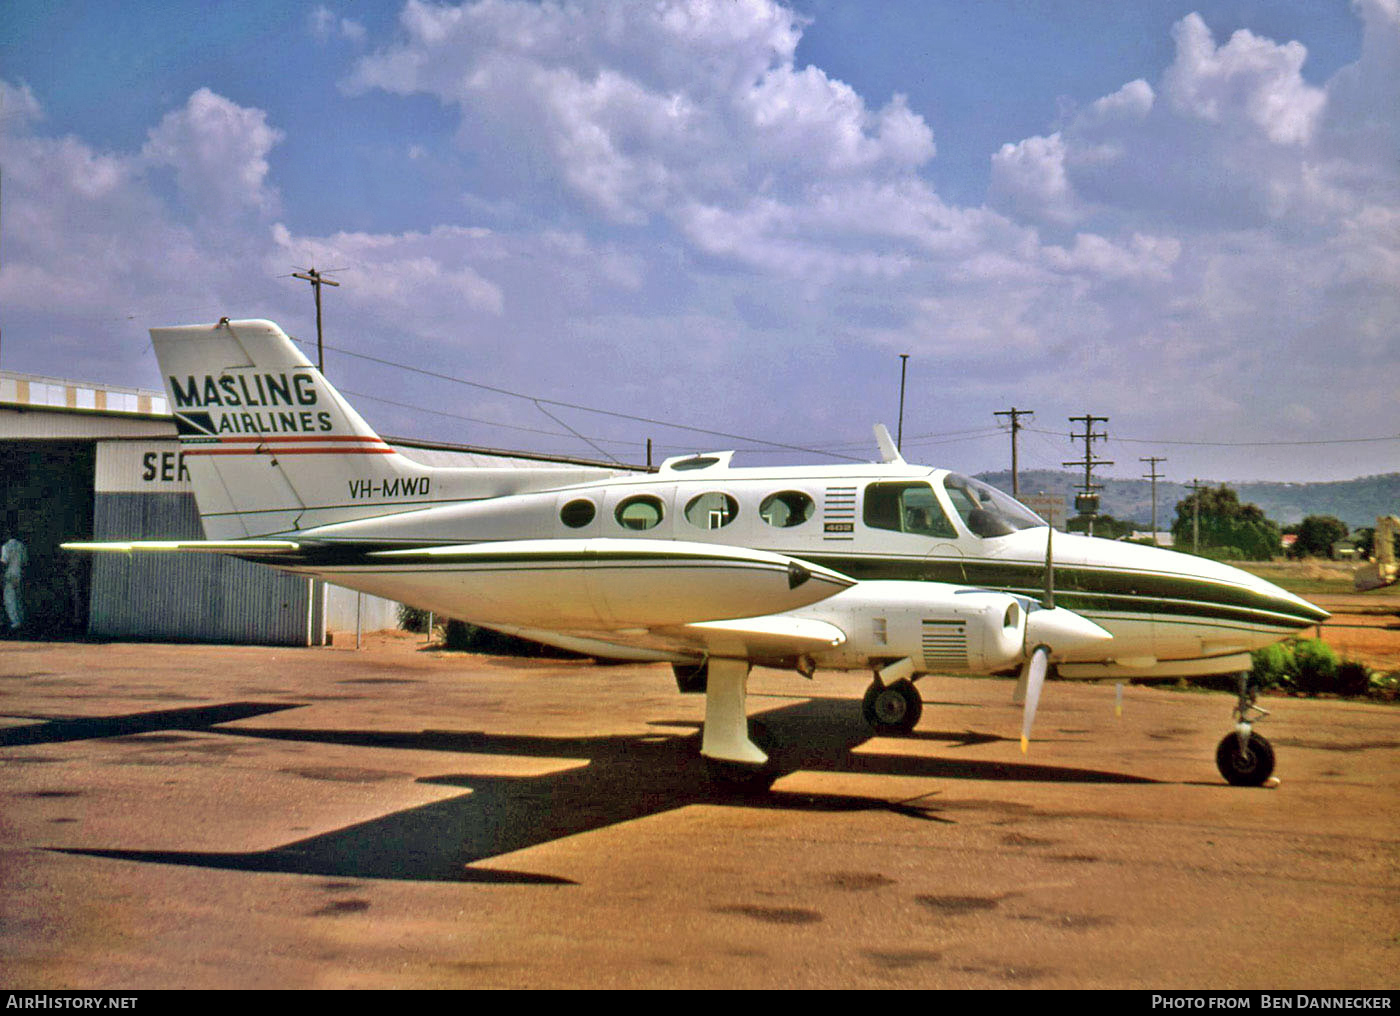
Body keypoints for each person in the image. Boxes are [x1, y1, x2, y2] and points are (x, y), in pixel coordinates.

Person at [2, 533, 27, 631]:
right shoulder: (21, 546)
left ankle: (15, 622)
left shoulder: (6, 546)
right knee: (18, 599)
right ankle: (21, 619)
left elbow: (4, 562)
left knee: (10, 600)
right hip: (19, 574)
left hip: (9, 575)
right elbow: (25, 562)